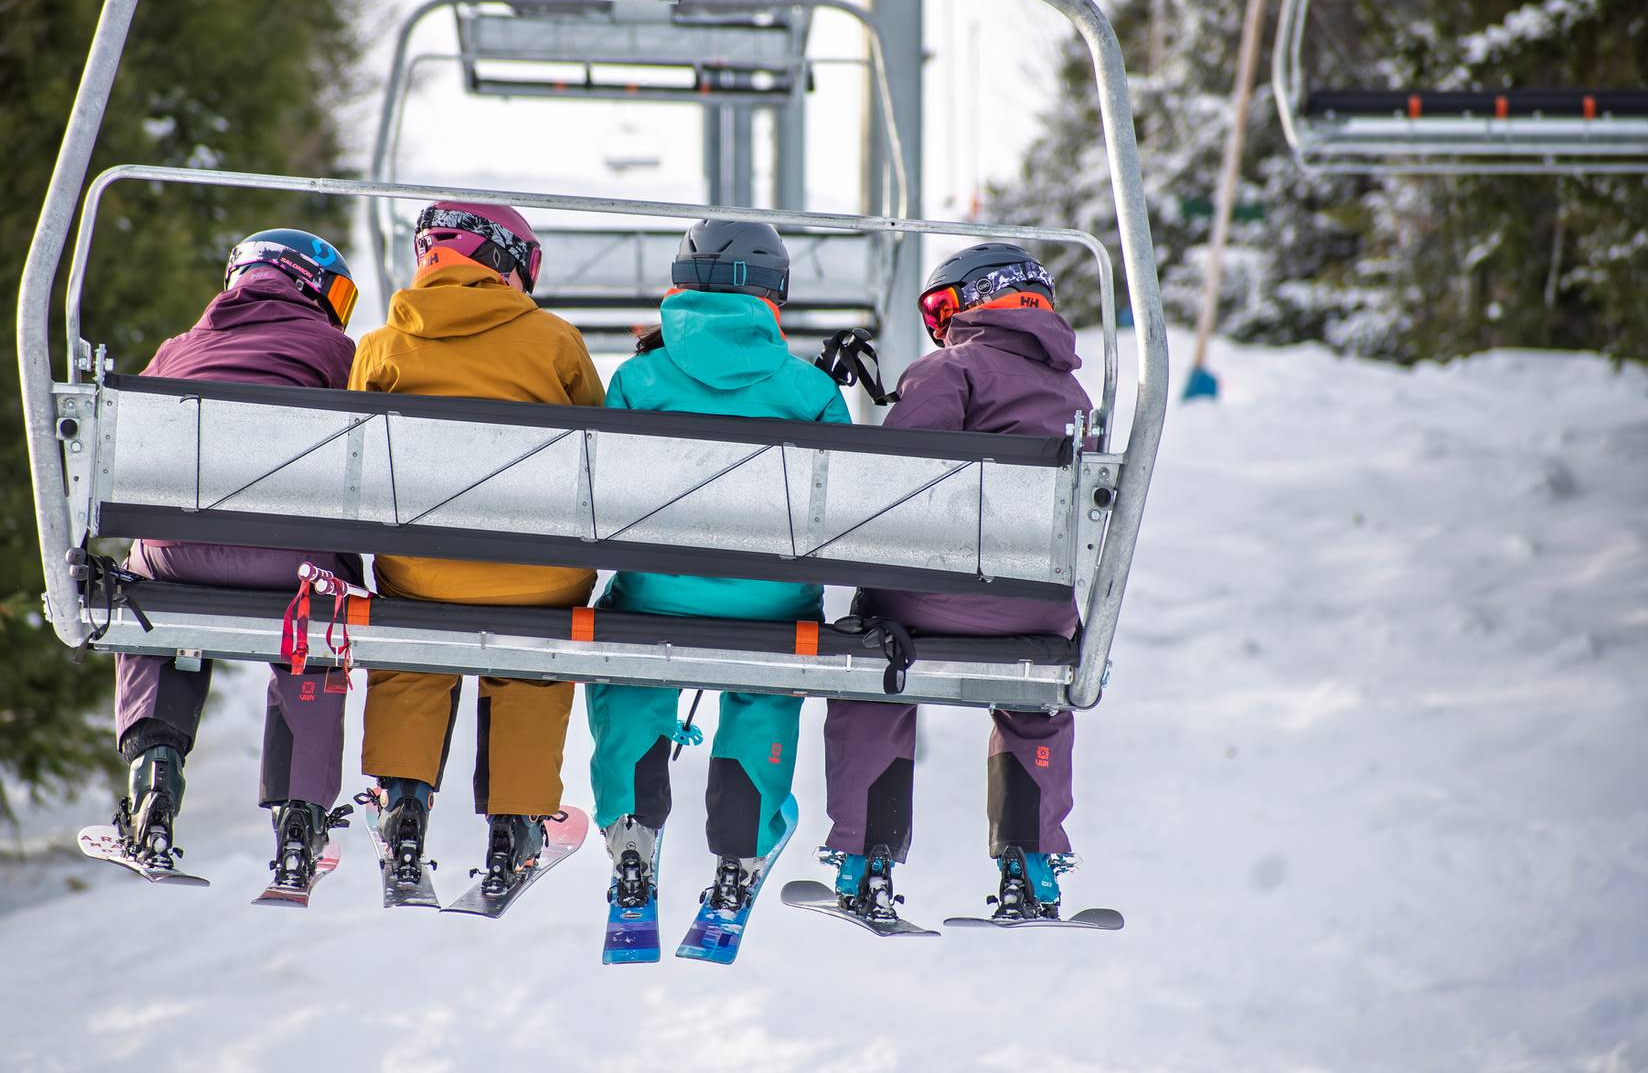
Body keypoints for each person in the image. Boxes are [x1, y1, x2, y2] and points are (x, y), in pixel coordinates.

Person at [821, 242, 1094, 922]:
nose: (939, 324)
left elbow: (900, 481)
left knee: (872, 675)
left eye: (942, 308)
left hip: (927, 601)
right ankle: (1031, 866)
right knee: (1034, 696)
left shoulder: (951, 368)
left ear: (973, 301)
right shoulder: (1076, 394)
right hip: (1038, 606)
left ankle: (866, 861)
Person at [587, 220, 851, 913]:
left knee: (629, 652)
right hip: (772, 608)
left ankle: (631, 825)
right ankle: (741, 846)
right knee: (764, 690)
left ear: (680, 283)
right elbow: (848, 511)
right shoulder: (811, 392)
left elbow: (602, 501)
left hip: (657, 599)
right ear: (775, 293)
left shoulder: (639, 377)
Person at [349, 202, 604, 896]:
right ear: (508, 262)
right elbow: (604, 453)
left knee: (412, 644)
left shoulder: (380, 347)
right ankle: (517, 828)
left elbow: (347, 464)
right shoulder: (555, 342)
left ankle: (403, 808)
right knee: (530, 663)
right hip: (537, 580)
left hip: (421, 573)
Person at [110, 228, 363, 891]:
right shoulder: (334, 349)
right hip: (293, 562)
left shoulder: (179, 349)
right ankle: (300, 817)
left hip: (178, 555)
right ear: (311, 286)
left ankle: (153, 777)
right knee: (315, 619)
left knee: (146, 603)